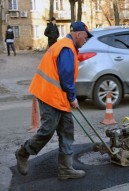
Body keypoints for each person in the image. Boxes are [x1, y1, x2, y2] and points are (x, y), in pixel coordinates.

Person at [15, 21, 93, 180]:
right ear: (78, 34)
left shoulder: (69, 47)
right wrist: (73, 98)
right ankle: (23, 152)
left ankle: (65, 169)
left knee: (66, 130)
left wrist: (68, 97)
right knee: (48, 129)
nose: (85, 42)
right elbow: (66, 77)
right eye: (84, 38)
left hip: (58, 96)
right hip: (49, 95)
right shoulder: (66, 48)